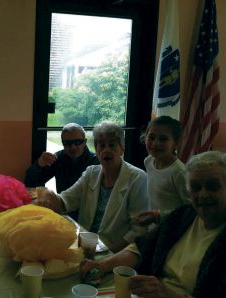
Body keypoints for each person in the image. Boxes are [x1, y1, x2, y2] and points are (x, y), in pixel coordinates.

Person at [80, 151, 226, 298]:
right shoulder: (184, 216)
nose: (203, 195)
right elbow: (142, 248)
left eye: (213, 186)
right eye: (195, 187)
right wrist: (103, 265)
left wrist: (166, 294)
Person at [36, 121, 149, 253]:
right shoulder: (91, 173)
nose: (106, 150)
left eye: (112, 145)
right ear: (96, 148)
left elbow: (138, 231)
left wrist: (107, 253)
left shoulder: (138, 178)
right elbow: (66, 200)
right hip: (84, 245)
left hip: (115, 252)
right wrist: (47, 195)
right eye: (101, 145)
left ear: (122, 148)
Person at [132, 116, 190, 226]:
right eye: (152, 137)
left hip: (173, 229)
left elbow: (190, 210)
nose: (155, 143)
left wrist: (157, 216)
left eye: (163, 139)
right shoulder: (148, 161)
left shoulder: (179, 172)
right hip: (154, 227)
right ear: (145, 137)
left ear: (176, 143)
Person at [24, 123, 99, 193]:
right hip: (63, 205)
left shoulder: (96, 162)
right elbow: (30, 183)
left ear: (85, 142)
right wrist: (39, 165)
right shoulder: (58, 158)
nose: (73, 147)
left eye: (77, 142)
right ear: (63, 143)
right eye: (67, 143)